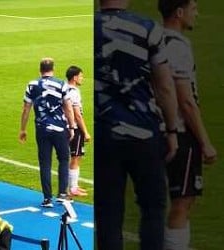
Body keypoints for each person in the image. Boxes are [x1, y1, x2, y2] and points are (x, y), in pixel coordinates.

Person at [95, 0, 179, 249]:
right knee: (153, 209)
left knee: (108, 214)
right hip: (143, 132)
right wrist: (172, 130)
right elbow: (164, 86)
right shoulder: (148, 28)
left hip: (104, 134)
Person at [157, 1, 218, 249]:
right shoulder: (178, 44)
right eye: (193, 8)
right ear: (179, 12)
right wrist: (205, 142)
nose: (197, 13)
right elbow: (186, 100)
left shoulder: (154, 40)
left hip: (159, 130)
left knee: (171, 200)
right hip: (181, 132)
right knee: (183, 201)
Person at [19, 58, 76, 208]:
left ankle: (47, 198)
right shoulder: (62, 84)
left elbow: (26, 109)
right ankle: (62, 194)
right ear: (53, 69)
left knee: (45, 163)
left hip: (42, 128)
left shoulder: (32, 85)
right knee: (63, 159)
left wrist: (23, 129)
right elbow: (68, 108)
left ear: (40, 69)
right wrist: (72, 127)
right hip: (59, 128)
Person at [65, 66, 91, 197]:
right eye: (81, 76)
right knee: (75, 156)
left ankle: (74, 186)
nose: (82, 78)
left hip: (67, 126)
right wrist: (85, 131)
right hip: (74, 127)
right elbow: (77, 114)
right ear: (74, 77)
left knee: (77, 155)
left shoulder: (64, 88)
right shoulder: (74, 91)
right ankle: (72, 189)